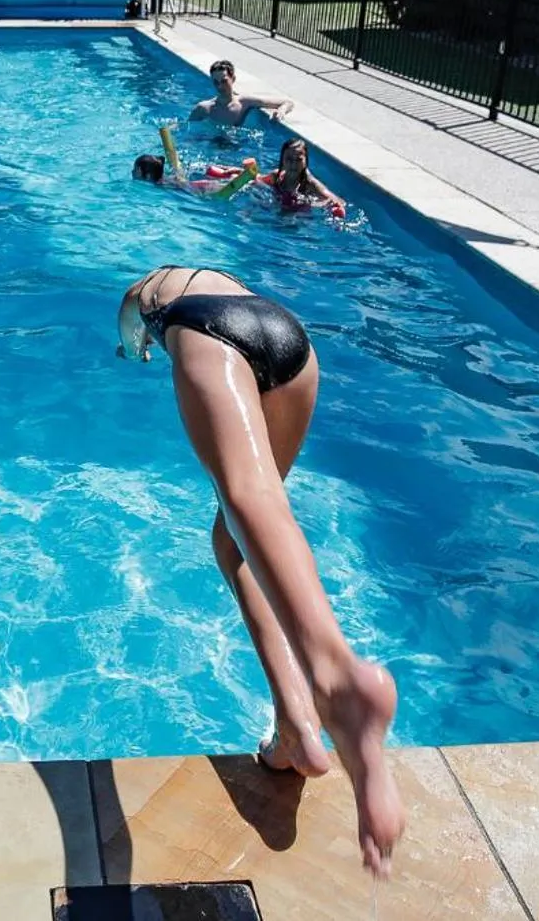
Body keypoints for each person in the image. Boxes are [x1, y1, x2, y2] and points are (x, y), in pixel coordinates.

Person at [116, 266, 404, 876]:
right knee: (238, 535)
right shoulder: (221, 280)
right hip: (292, 343)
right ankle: (294, 723)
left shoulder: (153, 291)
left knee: (248, 498)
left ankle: (340, 683)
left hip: (210, 337)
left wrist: (135, 348)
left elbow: (132, 327)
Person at [191, 60, 294, 127]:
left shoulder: (245, 102)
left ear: (233, 79)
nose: (220, 86)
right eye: (216, 82)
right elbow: (186, 130)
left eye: (224, 81)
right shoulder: (204, 108)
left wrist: (282, 111)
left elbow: (288, 102)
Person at [262, 138, 347, 218]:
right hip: (278, 211)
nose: (293, 164)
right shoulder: (276, 176)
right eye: (289, 159)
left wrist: (312, 204)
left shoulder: (311, 184)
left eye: (298, 159)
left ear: (306, 161)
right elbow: (259, 180)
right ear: (282, 160)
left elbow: (339, 201)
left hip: (300, 219)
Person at [132, 153, 259, 196]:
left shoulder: (161, 185)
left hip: (198, 187)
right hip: (194, 184)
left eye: (136, 170)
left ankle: (248, 177)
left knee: (243, 186)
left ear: (148, 176)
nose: (132, 172)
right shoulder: (164, 180)